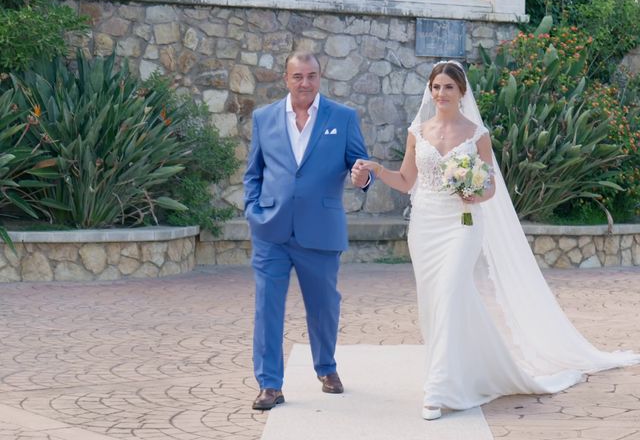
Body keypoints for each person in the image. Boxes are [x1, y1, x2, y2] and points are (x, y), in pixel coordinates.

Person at [353, 60, 640, 421]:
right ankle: (477, 367)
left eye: (449, 88)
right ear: (430, 91)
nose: (441, 93)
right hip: (424, 227)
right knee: (434, 302)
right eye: (436, 87)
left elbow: (489, 187)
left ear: (461, 93)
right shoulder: (418, 132)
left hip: (462, 224)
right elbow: (407, 181)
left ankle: (438, 388)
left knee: (450, 292)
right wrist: (377, 170)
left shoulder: (477, 134)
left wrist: (475, 190)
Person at [244, 50, 372, 410]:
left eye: (312, 76)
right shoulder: (264, 118)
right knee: (267, 307)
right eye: (298, 76)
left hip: (321, 229)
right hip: (271, 229)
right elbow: (253, 173)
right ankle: (270, 384)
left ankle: (326, 368)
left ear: (320, 77)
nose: (305, 83)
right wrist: (253, 211)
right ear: (286, 79)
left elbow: (359, 166)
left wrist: (363, 177)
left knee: (324, 306)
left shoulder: (342, 117)